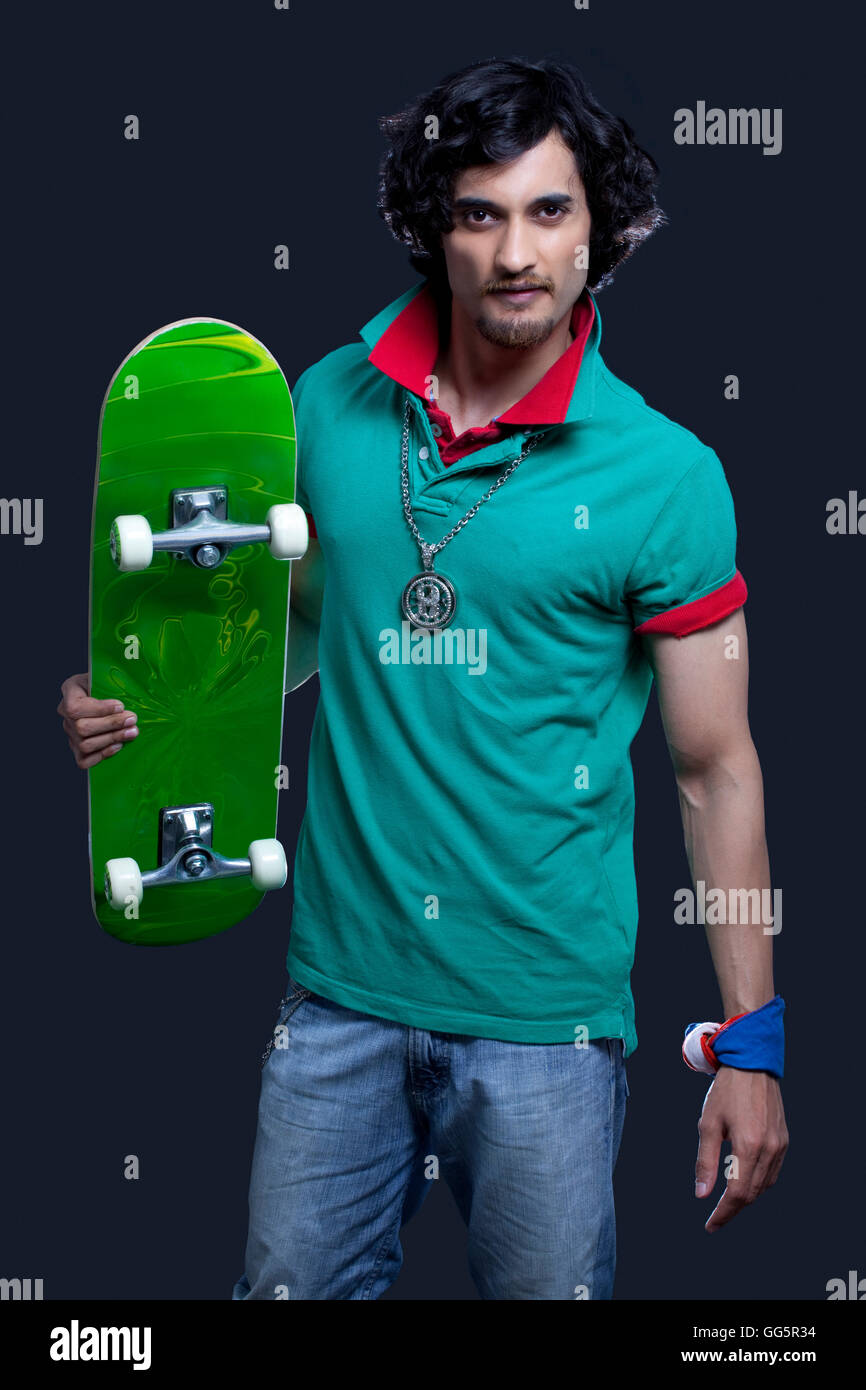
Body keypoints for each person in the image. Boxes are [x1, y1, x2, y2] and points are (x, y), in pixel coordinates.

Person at [58, 56, 788, 1300]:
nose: (514, 253)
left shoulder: (666, 477)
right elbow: (284, 629)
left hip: (548, 1024)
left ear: (595, 231)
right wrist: (141, 697)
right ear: (429, 226)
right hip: (335, 1002)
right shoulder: (324, 407)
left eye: (548, 211)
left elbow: (711, 766)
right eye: (478, 212)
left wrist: (751, 1044)